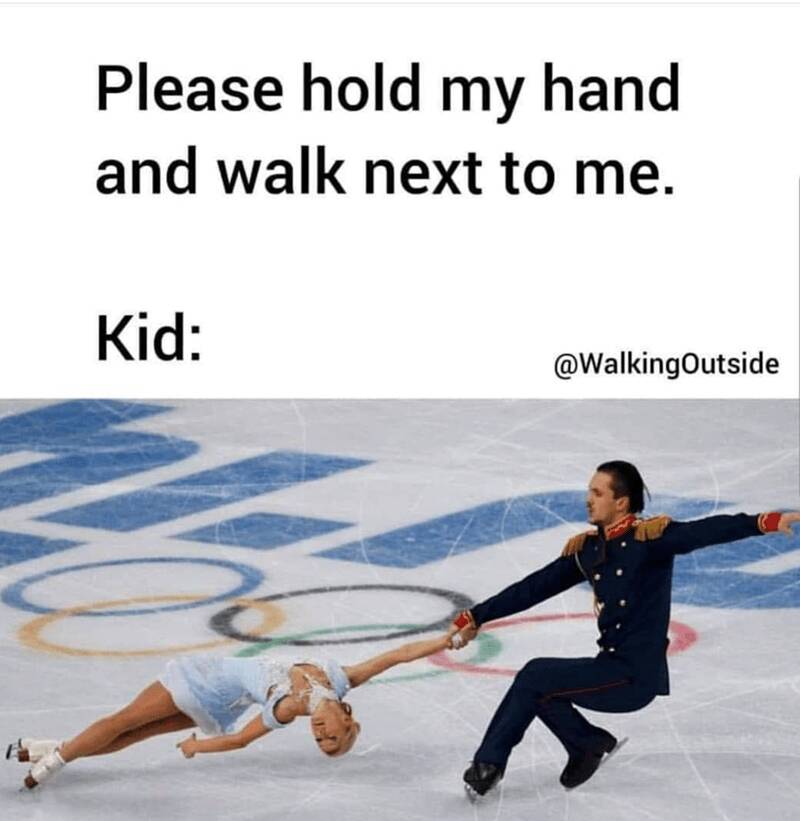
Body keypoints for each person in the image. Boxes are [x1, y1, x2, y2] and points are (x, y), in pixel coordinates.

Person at [448, 460, 800, 801]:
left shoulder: (651, 539)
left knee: (535, 676)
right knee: (539, 687)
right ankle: (586, 744)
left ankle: (488, 765)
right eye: (589, 491)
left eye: (598, 493)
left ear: (621, 502)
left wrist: (764, 522)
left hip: (635, 675)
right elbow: (533, 588)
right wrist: (477, 616)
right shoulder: (589, 550)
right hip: (609, 668)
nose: (588, 499)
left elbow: (708, 530)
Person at [8, 630, 462, 789]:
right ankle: (52, 749)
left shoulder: (290, 708)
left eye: (320, 741)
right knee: (126, 731)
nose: (321, 733)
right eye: (332, 736)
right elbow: (400, 654)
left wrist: (198, 747)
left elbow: (243, 740)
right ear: (348, 720)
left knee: (125, 726)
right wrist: (448, 639)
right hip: (211, 694)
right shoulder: (344, 678)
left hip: (206, 686)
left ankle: (55, 759)